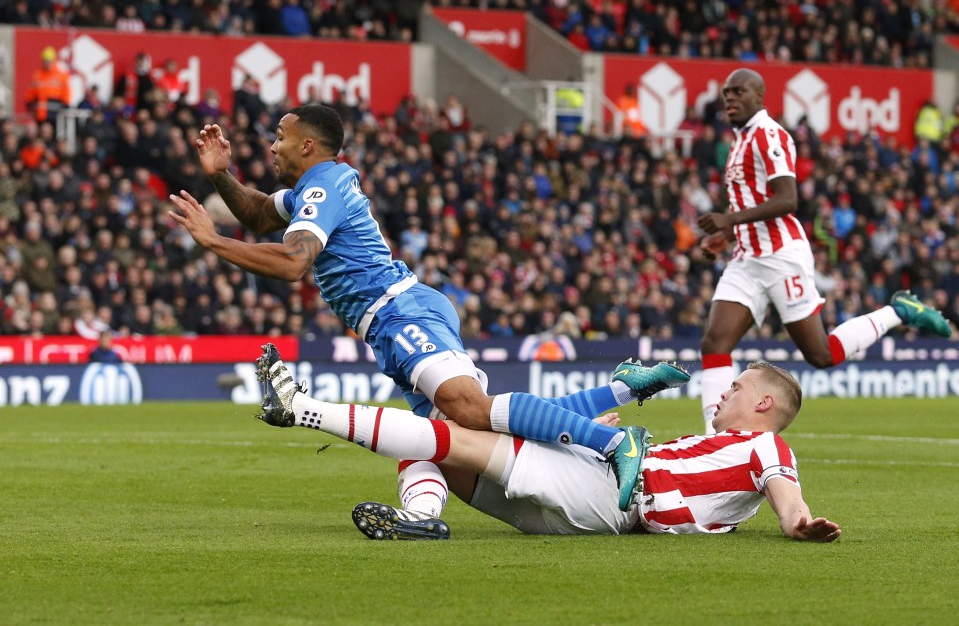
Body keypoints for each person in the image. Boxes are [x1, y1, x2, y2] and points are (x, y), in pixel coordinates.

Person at [167, 106, 691, 524]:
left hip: (400, 310)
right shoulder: (314, 188)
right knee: (449, 440)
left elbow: (293, 262)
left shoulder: (323, 187)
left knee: (467, 409)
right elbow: (259, 211)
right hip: (391, 322)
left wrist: (214, 241)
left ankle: (614, 440)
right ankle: (618, 392)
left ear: (307, 144)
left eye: (279, 136)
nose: (272, 146)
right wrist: (221, 177)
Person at [256, 345, 840, 543]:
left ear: (764, 404)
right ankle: (423, 517)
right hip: (604, 507)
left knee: (456, 431)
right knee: (444, 440)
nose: (723, 394)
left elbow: (787, 497)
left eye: (735, 388)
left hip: (613, 494)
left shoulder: (765, 449)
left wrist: (801, 523)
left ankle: (303, 409)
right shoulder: (711, 445)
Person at [697, 69, 952, 434]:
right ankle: (714, 438)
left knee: (821, 354)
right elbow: (751, 198)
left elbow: (788, 199)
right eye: (726, 93)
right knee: (715, 341)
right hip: (747, 257)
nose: (730, 99)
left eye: (738, 92)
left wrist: (729, 219)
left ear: (760, 95)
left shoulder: (770, 135)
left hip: (782, 256)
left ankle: (897, 311)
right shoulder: (740, 139)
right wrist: (728, 234)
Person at [24, 46, 71, 124]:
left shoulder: (61, 75)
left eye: (49, 61)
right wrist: (29, 100)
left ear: (54, 61)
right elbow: (31, 89)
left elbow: (66, 90)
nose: (46, 63)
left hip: (55, 111)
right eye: (44, 61)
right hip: (40, 112)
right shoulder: (37, 75)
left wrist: (66, 103)